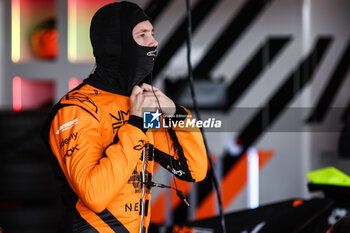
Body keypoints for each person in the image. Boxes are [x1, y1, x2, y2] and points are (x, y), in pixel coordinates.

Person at [42, 1, 208, 233]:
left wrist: (176, 114)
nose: (154, 42)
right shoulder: (76, 110)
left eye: (152, 33)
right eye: (142, 35)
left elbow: (194, 170)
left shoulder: (138, 103)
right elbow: (95, 196)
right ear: (116, 45)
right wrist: (135, 125)